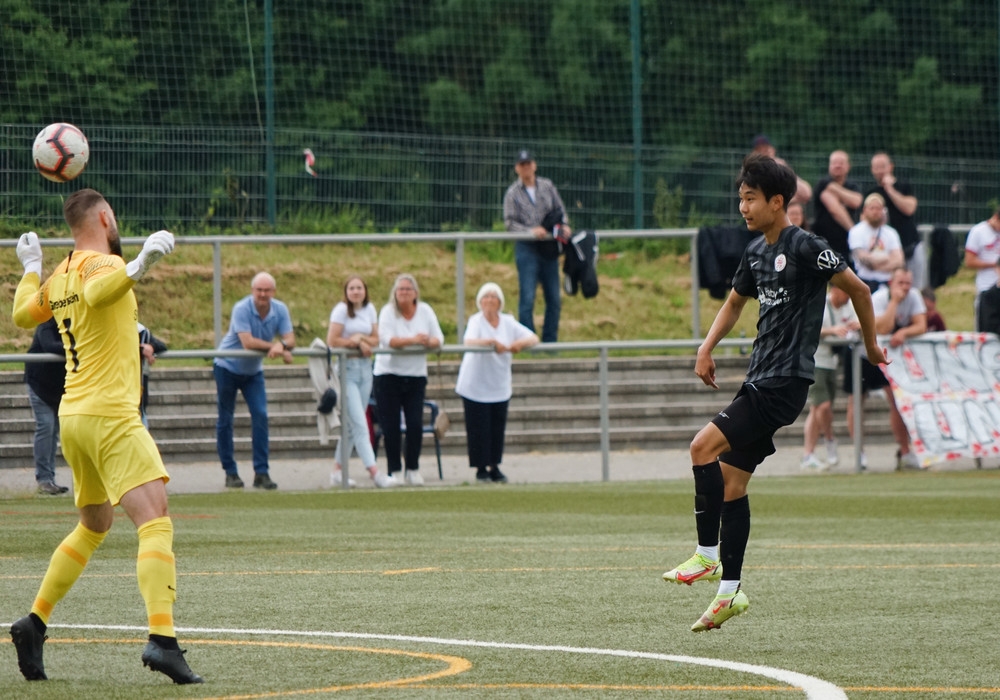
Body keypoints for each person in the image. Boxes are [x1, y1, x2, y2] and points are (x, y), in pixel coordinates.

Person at [661, 154, 885, 632]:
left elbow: (860, 290)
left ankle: (706, 556)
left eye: (750, 199)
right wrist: (706, 346)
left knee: (701, 447)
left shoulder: (806, 246)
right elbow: (734, 303)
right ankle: (729, 594)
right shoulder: (755, 252)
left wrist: (870, 346)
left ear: (777, 201)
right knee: (731, 484)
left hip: (784, 383)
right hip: (760, 378)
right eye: (740, 198)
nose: (742, 207)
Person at [10, 188, 202, 683]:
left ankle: (34, 623)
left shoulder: (60, 274)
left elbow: (23, 314)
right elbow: (99, 293)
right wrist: (139, 265)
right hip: (111, 415)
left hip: (74, 415)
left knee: (94, 524)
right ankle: (163, 640)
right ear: (104, 217)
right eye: (113, 216)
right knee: (154, 518)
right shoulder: (104, 265)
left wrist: (31, 266)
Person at [214, 271, 294, 490]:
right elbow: (247, 342)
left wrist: (283, 345)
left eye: (267, 290)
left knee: (260, 415)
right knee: (225, 419)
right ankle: (230, 472)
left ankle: (261, 472)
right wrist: (276, 347)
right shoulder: (241, 308)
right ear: (252, 291)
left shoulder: (280, 309)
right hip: (227, 367)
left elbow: (290, 338)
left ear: (273, 292)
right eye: (259, 290)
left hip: (253, 372)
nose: (263, 294)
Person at [454, 282, 539, 483]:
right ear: (480, 302)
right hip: (475, 383)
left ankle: (494, 465)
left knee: (496, 427)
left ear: (500, 302)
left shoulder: (508, 322)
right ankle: (480, 467)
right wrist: (491, 342)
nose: (490, 301)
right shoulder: (476, 321)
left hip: (498, 383)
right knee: (478, 427)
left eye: (493, 297)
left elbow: (532, 337)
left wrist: (517, 344)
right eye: (486, 297)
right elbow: (469, 341)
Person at [847, 267, 926, 471]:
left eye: (908, 283)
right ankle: (859, 452)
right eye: (901, 283)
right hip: (862, 353)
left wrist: (904, 332)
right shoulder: (880, 298)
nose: (905, 288)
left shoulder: (914, 296)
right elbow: (882, 328)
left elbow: (921, 325)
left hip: (885, 354)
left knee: (896, 400)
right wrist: (894, 302)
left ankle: (905, 451)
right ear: (891, 283)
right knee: (856, 401)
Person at [372, 273, 444, 486]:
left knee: (414, 424)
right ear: (395, 293)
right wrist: (414, 340)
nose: (404, 293)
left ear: (415, 293)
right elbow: (388, 341)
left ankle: (413, 468)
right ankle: (394, 469)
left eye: (408, 289)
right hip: (388, 375)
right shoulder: (387, 312)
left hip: (415, 376)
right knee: (391, 426)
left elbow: (439, 339)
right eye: (400, 289)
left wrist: (428, 342)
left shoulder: (426, 311)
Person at [326, 275, 394, 489]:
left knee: (350, 426)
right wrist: (353, 343)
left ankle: (338, 470)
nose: (356, 292)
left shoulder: (369, 309)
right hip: (347, 371)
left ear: (365, 291)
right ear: (346, 292)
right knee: (360, 423)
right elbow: (332, 340)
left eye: (359, 288)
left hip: (365, 370)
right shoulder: (340, 311)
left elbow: (376, 338)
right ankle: (374, 472)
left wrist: (361, 340)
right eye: (352, 288)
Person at [503, 149, 571, 343]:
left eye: (528, 164)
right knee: (527, 298)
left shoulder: (547, 186)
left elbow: (560, 210)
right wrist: (530, 231)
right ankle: (528, 341)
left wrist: (564, 225)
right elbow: (509, 223)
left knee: (554, 299)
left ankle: (550, 342)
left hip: (549, 248)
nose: (526, 168)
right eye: (522, 165)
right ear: (517, 168)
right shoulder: (512, 193)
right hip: (527, 248)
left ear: (534, 165)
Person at [801, 285, 859, 471]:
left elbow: (857, 322)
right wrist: (832, 330)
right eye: (845, 291)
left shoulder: (848, 306)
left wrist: (856, 327)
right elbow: (808, 328)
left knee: (817, 409)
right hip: (816, 361)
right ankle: (829, 440)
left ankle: (808, 454)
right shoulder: (820, 304)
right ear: (834, 290)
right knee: (823, 406)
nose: (848, 296)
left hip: (832, 362)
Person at [24, 318, 70, 495]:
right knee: (46, 427)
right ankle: (44, 479)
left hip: (59, 387)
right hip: (39, 384)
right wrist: (76, 347)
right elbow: (49, 345)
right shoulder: (48, 323)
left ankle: (49, 479)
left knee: (53, 430)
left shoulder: (78, 323)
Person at [868, 152, 923, 289]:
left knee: (914, 287)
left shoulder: (904, 186)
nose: (880, 171)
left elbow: (909, 208)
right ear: (872, 170)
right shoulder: (872, 193)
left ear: (891, 167)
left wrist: (890, 189)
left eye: (883, 166)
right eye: (876, 167)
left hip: (910, 245)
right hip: (887, 251)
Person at [811, 150, 863, 265]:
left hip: (846, 244)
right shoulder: (822, 184)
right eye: (834, 163)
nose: (837, 165)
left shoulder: (853, 185)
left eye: (841, 163)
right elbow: (835, 210)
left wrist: (834, 188)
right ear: (829, 166)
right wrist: (854, 233)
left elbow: (856, 202)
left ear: (848, 166)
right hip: (824, 242)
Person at [848, 192, 905, 292]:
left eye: (878, 208)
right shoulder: (856, 231)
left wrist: (875, 264)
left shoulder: (891, 233)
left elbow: (899, 261)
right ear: (865, 210)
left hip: (886, 283)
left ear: (883, 210)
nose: (875, 212)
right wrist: (886, 258)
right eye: (872, 208)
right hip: (864, 282)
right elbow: (863, 259)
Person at [963, 208, 1000, 330]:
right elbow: (969, 261)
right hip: (986, 287)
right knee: (984, 326)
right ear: (996, 218)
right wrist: (993, 264)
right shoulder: (978, 231)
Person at [750, 135, 812, 204]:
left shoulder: (779, 165)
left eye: (765, 150)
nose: (763, 153)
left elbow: (806, 193)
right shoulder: (752, 171)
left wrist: (777, 164)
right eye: (759, 150)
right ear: (754, 153)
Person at [138, 322, 167, 428]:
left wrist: (151, 347)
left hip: (138, 404)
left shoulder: (142, 332)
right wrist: (140, 349)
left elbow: (162, 346)